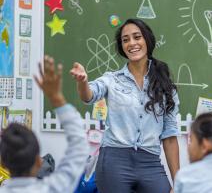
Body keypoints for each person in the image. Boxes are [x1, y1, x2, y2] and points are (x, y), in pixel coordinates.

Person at [70, 18, 180, 193]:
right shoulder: (112, 79)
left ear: (147, 40)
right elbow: (89, 96)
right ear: (122, 47)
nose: (132, 43)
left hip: (150, 162)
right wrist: (82, 81)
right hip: (114, 160)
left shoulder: (165, 85)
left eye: (137, 37)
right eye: (125, 40)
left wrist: (178, 182)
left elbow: (170, 136)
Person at [0, 55, 89, 192]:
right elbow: (79, 146)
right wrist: (56, 97)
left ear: (3, 164)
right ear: (38, 161)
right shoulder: (55, 187)